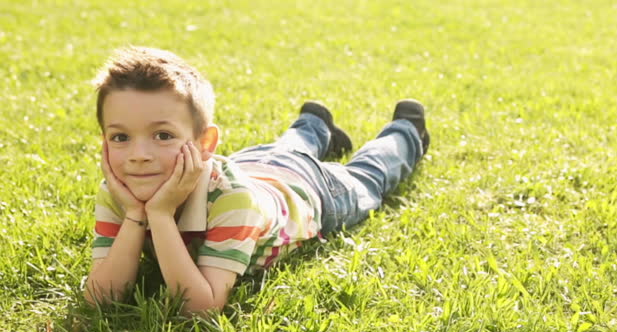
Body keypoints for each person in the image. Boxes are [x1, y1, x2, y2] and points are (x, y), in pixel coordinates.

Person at [84, 46, 429, 314]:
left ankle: (406, 131)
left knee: (367, 176)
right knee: (283, 149)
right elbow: (101, 297)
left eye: (162, 135)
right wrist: (136, 214)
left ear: (205, 144)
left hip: (310, 189)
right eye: (120, 137)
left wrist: (159, 215)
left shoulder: (233, 199)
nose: (138, 155)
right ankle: (315, 123)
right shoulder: (119, 192)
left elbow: (200, 308)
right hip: (253, 162)